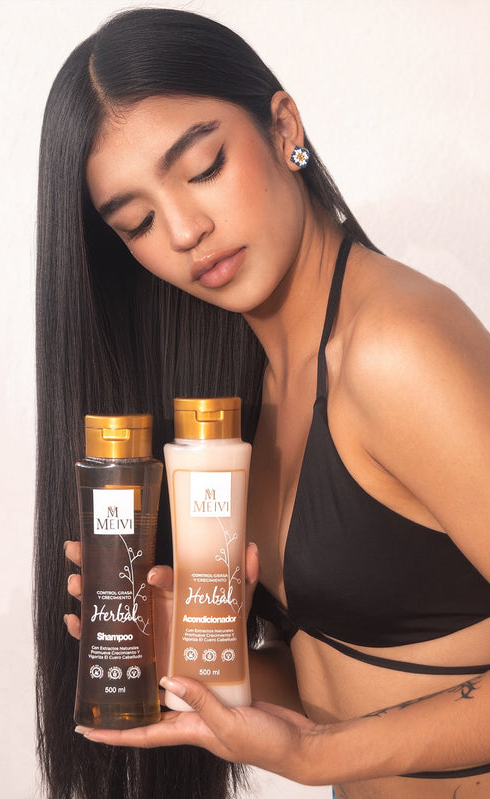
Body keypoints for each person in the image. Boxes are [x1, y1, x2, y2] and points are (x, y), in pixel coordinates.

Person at [35, 7, 490, 799]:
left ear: (284, 128)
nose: (184, 230)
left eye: (203, 166)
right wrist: (192, 655)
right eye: (138, 222)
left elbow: (326, 739)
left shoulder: (394, 348)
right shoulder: (251, 387)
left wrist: (316, 757)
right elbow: (340, 675)